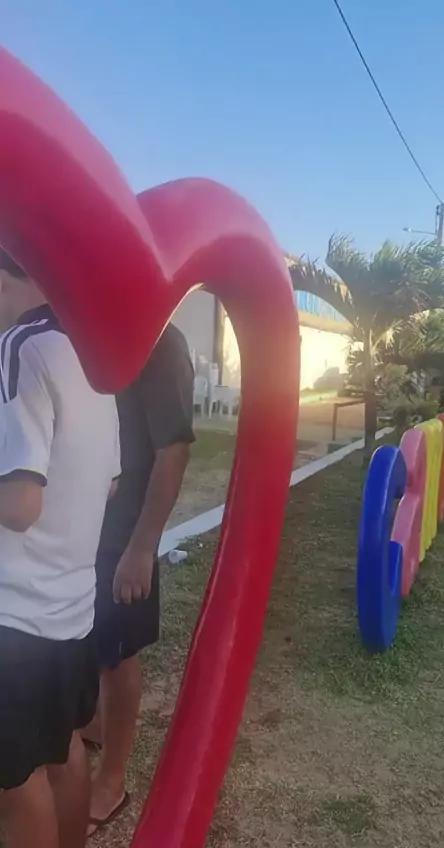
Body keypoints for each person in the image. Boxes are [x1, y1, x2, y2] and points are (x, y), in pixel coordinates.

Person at [0, 249, 121, 848]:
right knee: (64, 747)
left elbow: (20, 504)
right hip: (72, 610)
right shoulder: (92, 355)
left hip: (14, 617)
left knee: (13, 788)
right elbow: (111, 481)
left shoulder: (19, 346)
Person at [84, 323, 195, 834]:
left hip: (122, 532)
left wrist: (143, 547)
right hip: (81, 524)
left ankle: (112, 780)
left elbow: (174, 451)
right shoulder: (93, 329)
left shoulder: (161, 341)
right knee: (85, 641)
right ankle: (93, 726)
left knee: (118, 653)